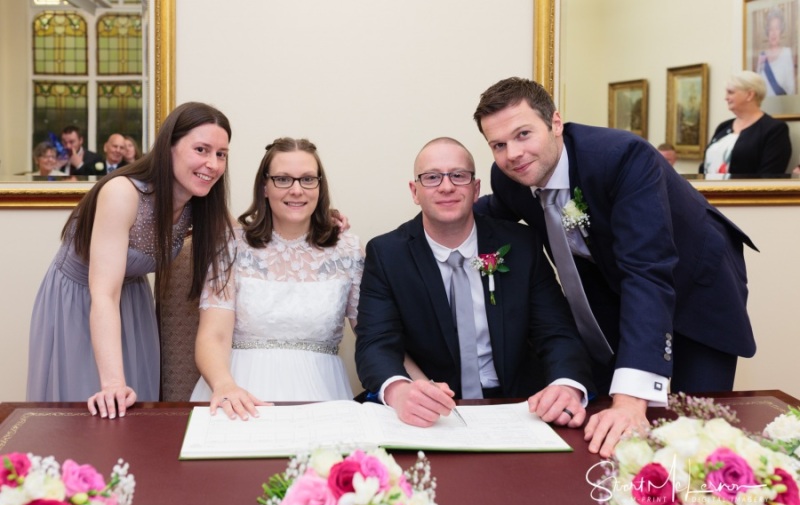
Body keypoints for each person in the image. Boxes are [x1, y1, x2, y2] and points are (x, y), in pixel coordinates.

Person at [472, 77, 757, 457]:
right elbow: (492, 214)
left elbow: (647, 269)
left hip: (697, 285)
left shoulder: (622, 157)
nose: (513, 154)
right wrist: (441, 209)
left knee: (696, 431)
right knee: (611, 423)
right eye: (499, 145)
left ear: (555, 123)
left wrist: (631, 399)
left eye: (524, 134)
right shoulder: (510, 179)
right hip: (617, 294)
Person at [355, 137, 593, 429]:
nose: (446, 186)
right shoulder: (388, 254)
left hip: (520, 406)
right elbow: (375, 343)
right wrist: (399, 390)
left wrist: (565, 384)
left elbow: (557, 332)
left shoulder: (520, 245)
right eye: (431, 177)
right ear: (414, 191)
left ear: (476, 189)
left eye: (459, 175)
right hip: (436, 412)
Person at [28, 102, 235, 420]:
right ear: (169, 148)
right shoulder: (122, 193)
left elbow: (252, 232)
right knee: (93, 407)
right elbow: (104, 294)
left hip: (132, 300)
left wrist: (320, 221)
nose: (212, 164)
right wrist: (112, 383)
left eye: (221, 154)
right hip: (82, 300)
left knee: (137, 411)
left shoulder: (200, 204)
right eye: (201, 149)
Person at [190, 138, 363, 420]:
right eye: (283, 179)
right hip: (238, 389)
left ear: (320, 187)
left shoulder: (348, 250)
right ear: (264, 187)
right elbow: (213, 335)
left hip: (322, 395)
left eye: (307, 179)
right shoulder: (232, 246)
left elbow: (373, 335)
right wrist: (225, 385)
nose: (296, 190)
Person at [700, 71, 791, 177]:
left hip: (743, 193)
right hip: (706, 192)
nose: (726, 98)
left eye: (730, 92)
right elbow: (704, 167)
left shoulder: (774, 130)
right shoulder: (723, 126)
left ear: (749, 95)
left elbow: (769, 176)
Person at [757, 8, 796, 97]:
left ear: (781, 31)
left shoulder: (787, 53)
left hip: (782, 108)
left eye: (777, 28)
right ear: (767, 32)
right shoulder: (762, 56)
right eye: (771, 29)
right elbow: (758, 88)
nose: (773, 33)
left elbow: (791, 89)